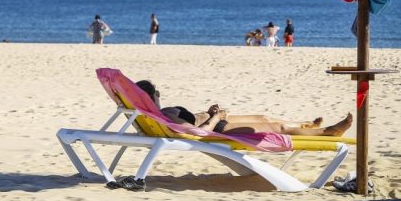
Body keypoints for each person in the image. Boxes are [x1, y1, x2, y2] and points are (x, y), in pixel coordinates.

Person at [135, 80, 353, 136]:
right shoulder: (164, 116)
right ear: (151, 97)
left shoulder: (159, 113)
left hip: (216, 121)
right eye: (157, 93)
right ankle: (327, 131)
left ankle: (306, 124)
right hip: (219, 129)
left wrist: (209, 112)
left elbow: (194, 121)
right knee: (277, 129)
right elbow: (198, 133)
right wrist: (215, 118)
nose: (159, 95)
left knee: (264, 117)